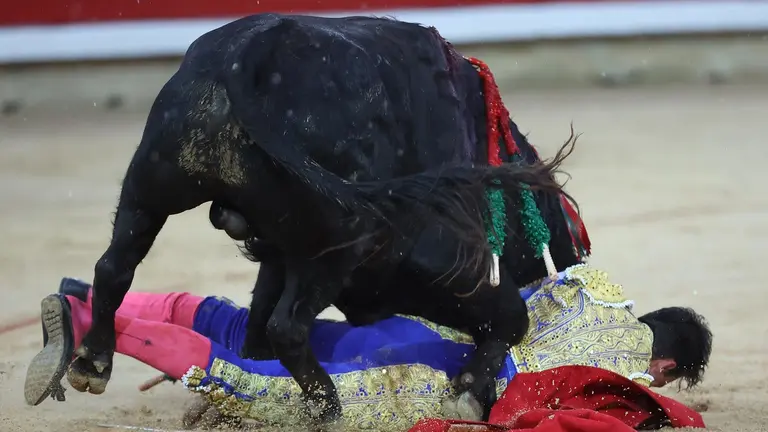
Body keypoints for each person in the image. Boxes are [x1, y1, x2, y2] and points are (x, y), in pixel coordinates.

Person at [24, 264, 712, 431]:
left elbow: (517, 293)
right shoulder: (630, 376)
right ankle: (90, 330)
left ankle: (97, 296)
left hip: (425, 330)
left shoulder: (592, 283)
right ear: (669, 365)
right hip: (432, 375)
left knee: (249, 327)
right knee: (253, 378)